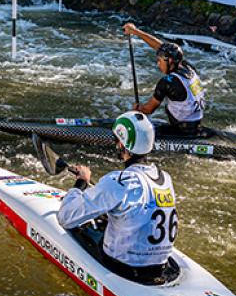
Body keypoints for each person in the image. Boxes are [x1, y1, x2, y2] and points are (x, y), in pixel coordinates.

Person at [57, 111, 178, 285]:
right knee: (108, 218)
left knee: (85, 225)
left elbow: (66, 217)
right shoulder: (165, 178)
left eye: (116, 140)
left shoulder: (118, 181)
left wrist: (81, 183)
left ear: (122, 144)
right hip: (159, 266)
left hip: (123, 267)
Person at [122, 23, 205, 137]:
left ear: (170, 61)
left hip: (181, 132)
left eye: (159, 60)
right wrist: (136, 32)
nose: (158, 64)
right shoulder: (188, 68)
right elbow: (160, 47)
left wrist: (138, 108)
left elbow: (148, 109)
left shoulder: (168, 82)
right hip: (197, 125)